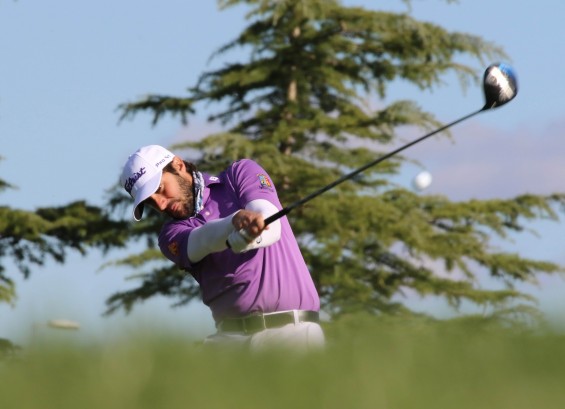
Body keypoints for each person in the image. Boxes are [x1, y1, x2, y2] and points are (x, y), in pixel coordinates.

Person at [120, 145, 325, 350]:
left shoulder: (239, 174)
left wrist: (251, 236)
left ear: (178, 165)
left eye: (159, 189)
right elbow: (202, 240)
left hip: (292, 334)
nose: (161, 205)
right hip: (229, 341)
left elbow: (271, 225)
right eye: (150, 202)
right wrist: (233, 223)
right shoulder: (171, 234)